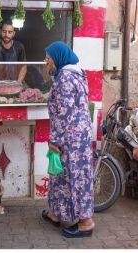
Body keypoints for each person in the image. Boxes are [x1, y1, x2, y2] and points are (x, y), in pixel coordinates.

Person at [40, 41, 95, 238]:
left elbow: (65, 113)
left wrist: (55, 141)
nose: (47, 61)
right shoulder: (77, 73)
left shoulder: (64, 78)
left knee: (74, 178)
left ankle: (85, 223)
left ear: (59, 57)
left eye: (49, 57)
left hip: (70, 137)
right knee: (62, 176)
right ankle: (57, 213)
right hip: (79, 134)